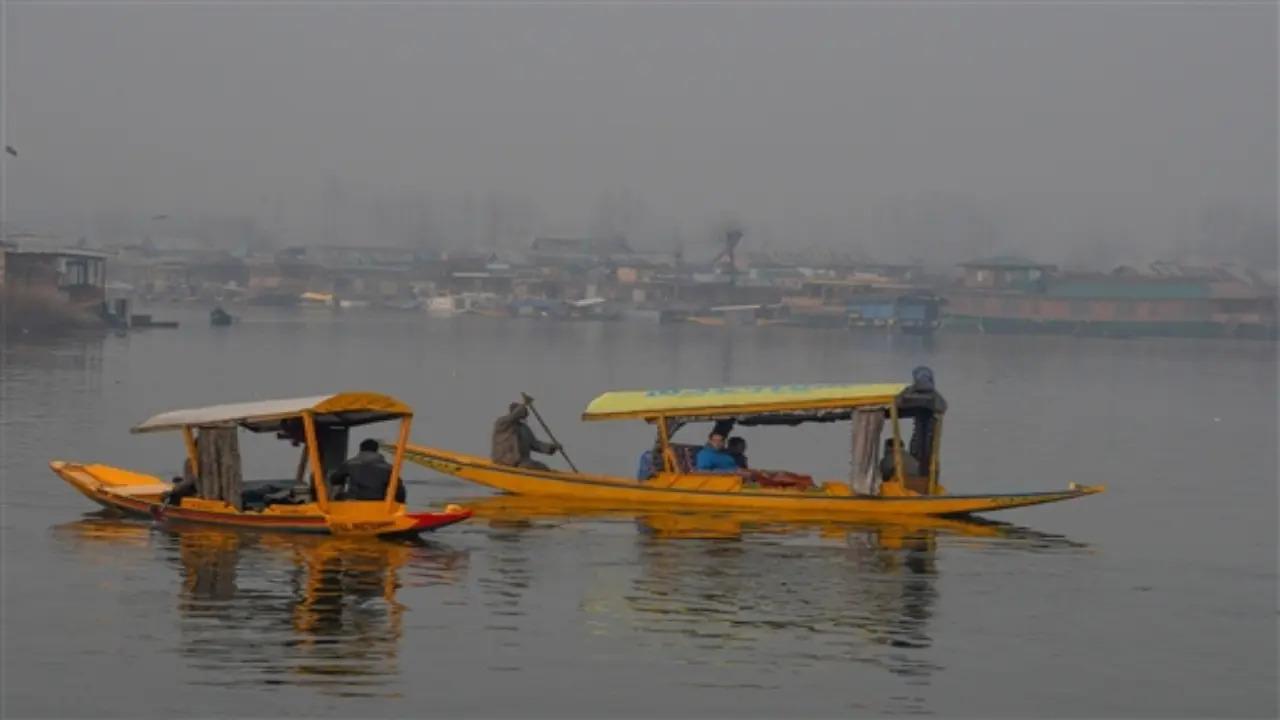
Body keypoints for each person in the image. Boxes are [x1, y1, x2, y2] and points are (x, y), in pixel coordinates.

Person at [491, 400, 561, 471]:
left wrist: (551, 447)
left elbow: (535, 444)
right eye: (522, 413)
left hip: (523, 461)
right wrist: (524, 404)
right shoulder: (502, 423)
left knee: (543, 467)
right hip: (506, 461)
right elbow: (513, 416)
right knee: (533, 466)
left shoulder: (524, 428)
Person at [330, 439, 405, 502]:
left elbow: (334, 480)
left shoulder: (350, 463)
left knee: (338, 494)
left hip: (353, 501)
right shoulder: (388, 467)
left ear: (361, 449)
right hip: (379, 503)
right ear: (376, 450)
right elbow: (399, 490)